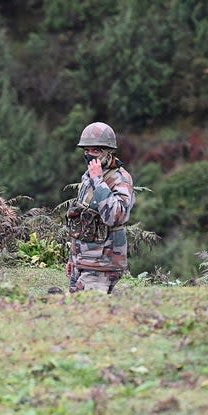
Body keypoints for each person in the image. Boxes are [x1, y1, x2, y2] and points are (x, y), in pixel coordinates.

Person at [65, 122, 136, 293]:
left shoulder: (120, 178)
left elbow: (116, 216)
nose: (89, 155)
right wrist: (73, 258)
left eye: (95, 151)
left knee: (88, 312)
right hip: (84, 261)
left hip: (104, 263)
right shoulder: (88, 176)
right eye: (86, 151)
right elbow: (81, 220)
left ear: (108, 152)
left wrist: (98, 181)